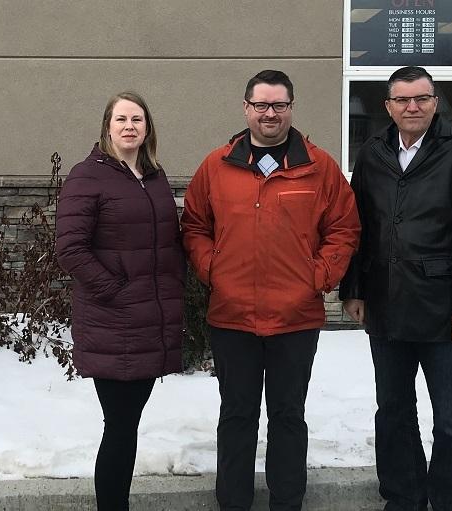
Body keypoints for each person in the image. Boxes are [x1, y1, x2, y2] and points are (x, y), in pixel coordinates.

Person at [181, 69, 360, 511]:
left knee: (287, 417)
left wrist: (317, 277)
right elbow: (195, 227)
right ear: (246, 109)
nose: (269, 113)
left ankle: (287, 502)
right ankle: (234, 502)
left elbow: (344, 229)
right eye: (261, 105)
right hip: (233, 316)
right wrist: (213, 269)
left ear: (291, 109)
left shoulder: (319, 168)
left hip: (294, 319)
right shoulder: (216, 166)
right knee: (237, 417)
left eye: (279, 105)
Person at [339, 66, 452, 511]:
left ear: (435, 102)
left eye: (421, 98)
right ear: (388, 106)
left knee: (450, 419)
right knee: (393, 413)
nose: (412, 107)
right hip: (385, 306)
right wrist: (354, 288)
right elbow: (358, 225)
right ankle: (403, 498)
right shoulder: (372, 152)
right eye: (402, 100)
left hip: (444, 310)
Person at [55, 91, 184, 511]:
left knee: (126, 425)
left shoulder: (153, 175)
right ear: (107, 126)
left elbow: (165, 244)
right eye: (121, 119)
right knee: (121, 426)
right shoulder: (87, 176)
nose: (130, 126)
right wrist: (117, 292)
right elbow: (70, 249)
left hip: (149, 321)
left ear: (148, 128)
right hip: (113, 323)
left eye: (137, 119)